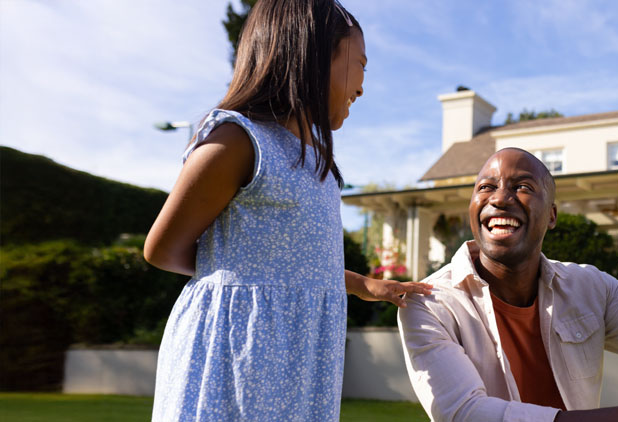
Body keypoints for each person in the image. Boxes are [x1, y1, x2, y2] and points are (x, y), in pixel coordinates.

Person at [143, 1, 431, 420]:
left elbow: (293, 263)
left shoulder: (317, 166)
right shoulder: (239, 141)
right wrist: (248, 289)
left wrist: (360, 285)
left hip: (300, 368)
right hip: (234, 362)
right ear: (312, 57)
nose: (363, 87)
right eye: (361, 65)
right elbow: (162, 249)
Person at [397, 149, 618, 422]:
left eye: (523, 187)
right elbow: (463, 412)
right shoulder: (427, 303)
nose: (500, 198)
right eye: (486, 187)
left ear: (552, 216)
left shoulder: (592, 287)